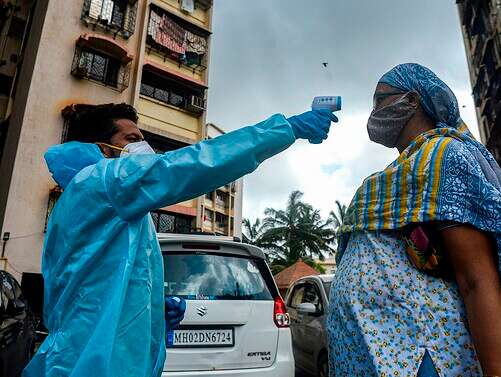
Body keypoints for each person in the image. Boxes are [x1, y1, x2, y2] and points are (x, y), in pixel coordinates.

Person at [24, 103, 338, 377]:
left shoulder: (107, 201)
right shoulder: (103, 181)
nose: (142, 147)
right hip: (91, 363)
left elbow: (95, 285)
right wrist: (286, 129)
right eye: (132, 139)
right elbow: (197, 162)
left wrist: (149, 308)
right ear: (104, 148)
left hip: (88, 354)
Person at [327, 63, 501, 377]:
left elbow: (477, 280)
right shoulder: (401, 170)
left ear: (413, 100)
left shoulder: (443, 157)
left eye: (380, 100)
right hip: (366, 352)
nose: (374, 111)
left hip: (414, 351)